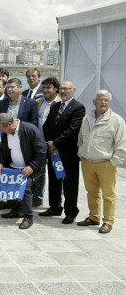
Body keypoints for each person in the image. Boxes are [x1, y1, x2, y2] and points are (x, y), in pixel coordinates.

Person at [77, 90, 126, 234]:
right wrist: (82, 153)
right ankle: (93, 217)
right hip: (87, 161)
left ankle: (108, 221)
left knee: (108, 195)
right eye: (100, 100)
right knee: (91, 192)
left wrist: (114, 161)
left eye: (106, 100)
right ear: (94, 102)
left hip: (106, 163)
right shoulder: (87, 118)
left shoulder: (116, 121)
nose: (103, 102)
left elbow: (122, 144)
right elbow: (81, 138)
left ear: (109, 103)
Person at [0, 77, 38, 211]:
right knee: (7, 171)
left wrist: (19, 130)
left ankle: (23, 207)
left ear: (20, 88)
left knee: (22, 176)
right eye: (8, 87)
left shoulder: (30, 103)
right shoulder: (2, 104)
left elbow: (34, 122)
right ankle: (7, 201)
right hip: (5, 141)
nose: (10, 90)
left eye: (12, 87)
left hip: (24, 142)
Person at [41, 81, 85, 224]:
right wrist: (49, 142)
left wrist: (56, 143)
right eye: (62, 89)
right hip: (53, 153)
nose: (63, 91)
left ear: (74, 90)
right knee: (54, 181)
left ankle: (71, 212)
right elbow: (46, 125)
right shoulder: (55, 106)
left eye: (67, 89)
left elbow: (73, 130)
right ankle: (54, 207)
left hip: (68, 153)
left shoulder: (78, 108)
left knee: (70, 184)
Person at [0, 113, 46, 229]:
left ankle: (28, 217)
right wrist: (0, 162)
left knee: (26, 188)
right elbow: (2, 150)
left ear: (9, 124)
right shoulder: (5, 133)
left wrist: (32, 166)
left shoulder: (29, 130)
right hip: (12, 166)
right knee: (6, 183)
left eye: (2, 129)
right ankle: (16, 210)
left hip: (29, 168)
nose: (1, 132)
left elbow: (41, 152)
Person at [33, 77, 61, 208]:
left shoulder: (62, 103)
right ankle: (38, 198)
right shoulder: (38, 102)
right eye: (43, 87)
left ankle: (57, 203)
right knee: (39, 172)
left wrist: (55, 142)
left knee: (56, 174)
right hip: (39, 144)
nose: (45, 90)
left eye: (48, 87)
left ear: (56, 89)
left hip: (55, 145)